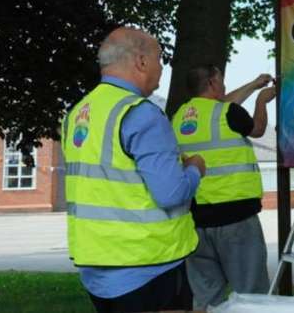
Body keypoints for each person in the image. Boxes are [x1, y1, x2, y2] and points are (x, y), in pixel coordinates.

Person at [61, 27, 207, 313]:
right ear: (141, 62)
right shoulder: (141, 113)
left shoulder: (78, 112)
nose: (162, 68)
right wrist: (194, 169)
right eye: (159, 59)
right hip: (148, 267)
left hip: (98, 267)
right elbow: (171, 193)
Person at [171, 64, 275, 309]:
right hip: (236, 220)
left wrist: (252, 84)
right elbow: (258, 129)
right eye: (221, 80)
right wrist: (261, 100)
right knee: (251, 297)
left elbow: (221, 105)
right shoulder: (228, 113)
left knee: (207, 298)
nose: (225, 85)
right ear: (212, 84)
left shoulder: (179, 117)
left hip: (196, 223)